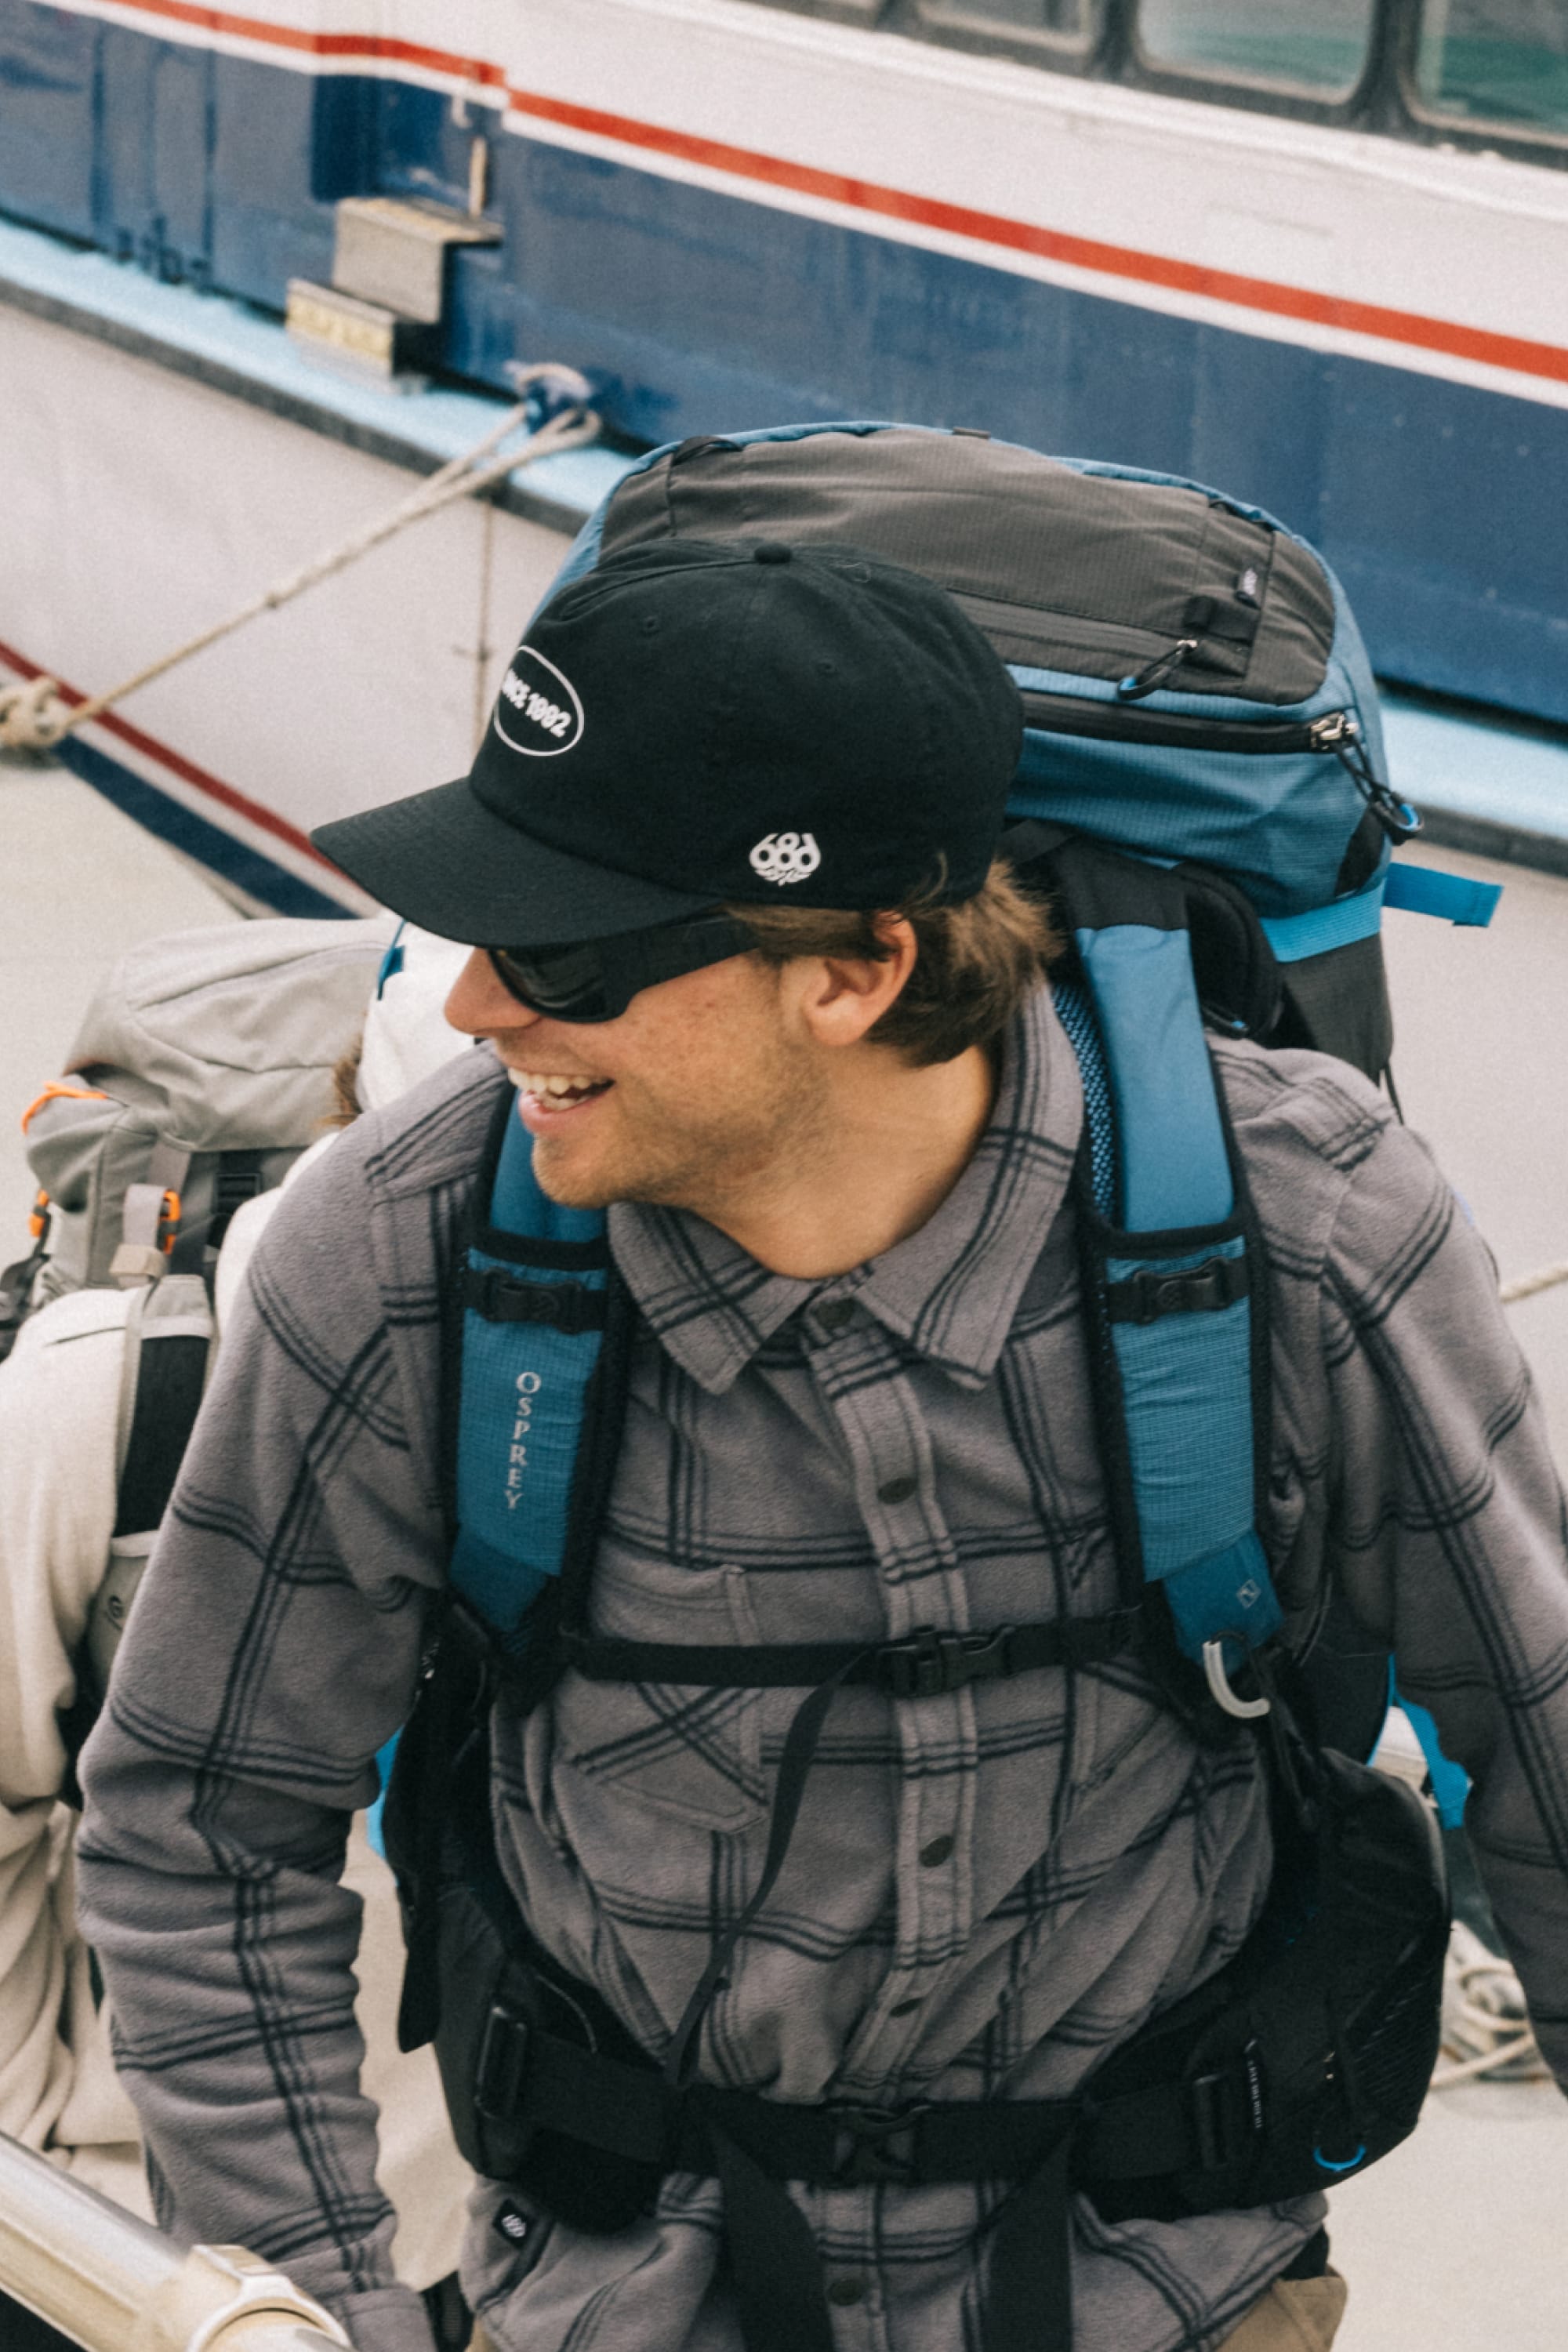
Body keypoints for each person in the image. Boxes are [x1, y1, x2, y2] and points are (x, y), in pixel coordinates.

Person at [76, 539, 1568, 2352]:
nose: (471, 1007)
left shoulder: (1309, 1228)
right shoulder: (396, 1255)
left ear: (855, 971)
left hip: (1172, 2303)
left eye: (563, 948)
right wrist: (316, 2313)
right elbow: (201, 1828)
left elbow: (1547, 1755)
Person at [0, 927, 474, 2351]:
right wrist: (54, 2169)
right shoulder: (100, 1401)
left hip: (454, 2233)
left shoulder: (564, 1412)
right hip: (113, 2249)